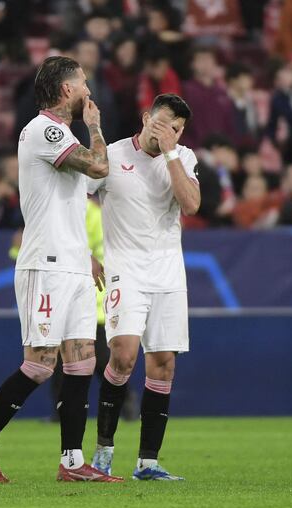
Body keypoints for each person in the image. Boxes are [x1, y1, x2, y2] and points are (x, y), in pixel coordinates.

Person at [0, 56, 121, 483]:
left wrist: (83, 254)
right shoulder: (44, 131)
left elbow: (68, 201)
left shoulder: (61, 136)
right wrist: (97, 127)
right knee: (39, 364)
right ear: (66, 90)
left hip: (72, 265)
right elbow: (100, 166)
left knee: (82, 362)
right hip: (45, 266)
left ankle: (71, 463)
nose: (88, 90)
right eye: (83, 83)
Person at [87, 94, 199, 481]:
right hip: (126, 270)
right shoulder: (112, 156)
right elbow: (72, 200)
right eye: (165, 123)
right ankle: (103, 452)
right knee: (122, 355)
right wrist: (85, 252)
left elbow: (192, 204)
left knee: (164, 364)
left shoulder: (183, 158)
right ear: (146, 117)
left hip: (168, 273)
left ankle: (147, 462)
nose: (171, 133)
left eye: (178, 128)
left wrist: (171, 154)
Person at [180, 47, 235, 149]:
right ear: (192, 64)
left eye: (209, 59)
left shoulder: (222, 93)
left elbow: (229, 126)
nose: (206, 63)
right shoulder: (185, 90)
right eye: (201, 59)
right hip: (195, 151)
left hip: (221, 151)